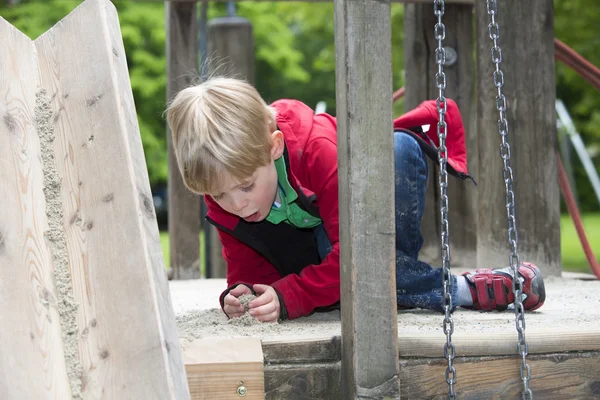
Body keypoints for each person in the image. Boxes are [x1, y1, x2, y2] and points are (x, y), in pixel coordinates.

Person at [166, 77, 545, 322]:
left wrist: (292, 294)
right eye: (218, 195)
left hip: (362, 234)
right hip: (321, 255)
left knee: (395, 151)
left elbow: (357, 257)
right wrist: (244, 294)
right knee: (355, 283)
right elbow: (251, 267)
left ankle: (462, 290)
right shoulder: (225, 184)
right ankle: (397, 287)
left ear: (274, 148)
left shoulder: (317, 151)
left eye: (246, 187)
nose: (238, 205)